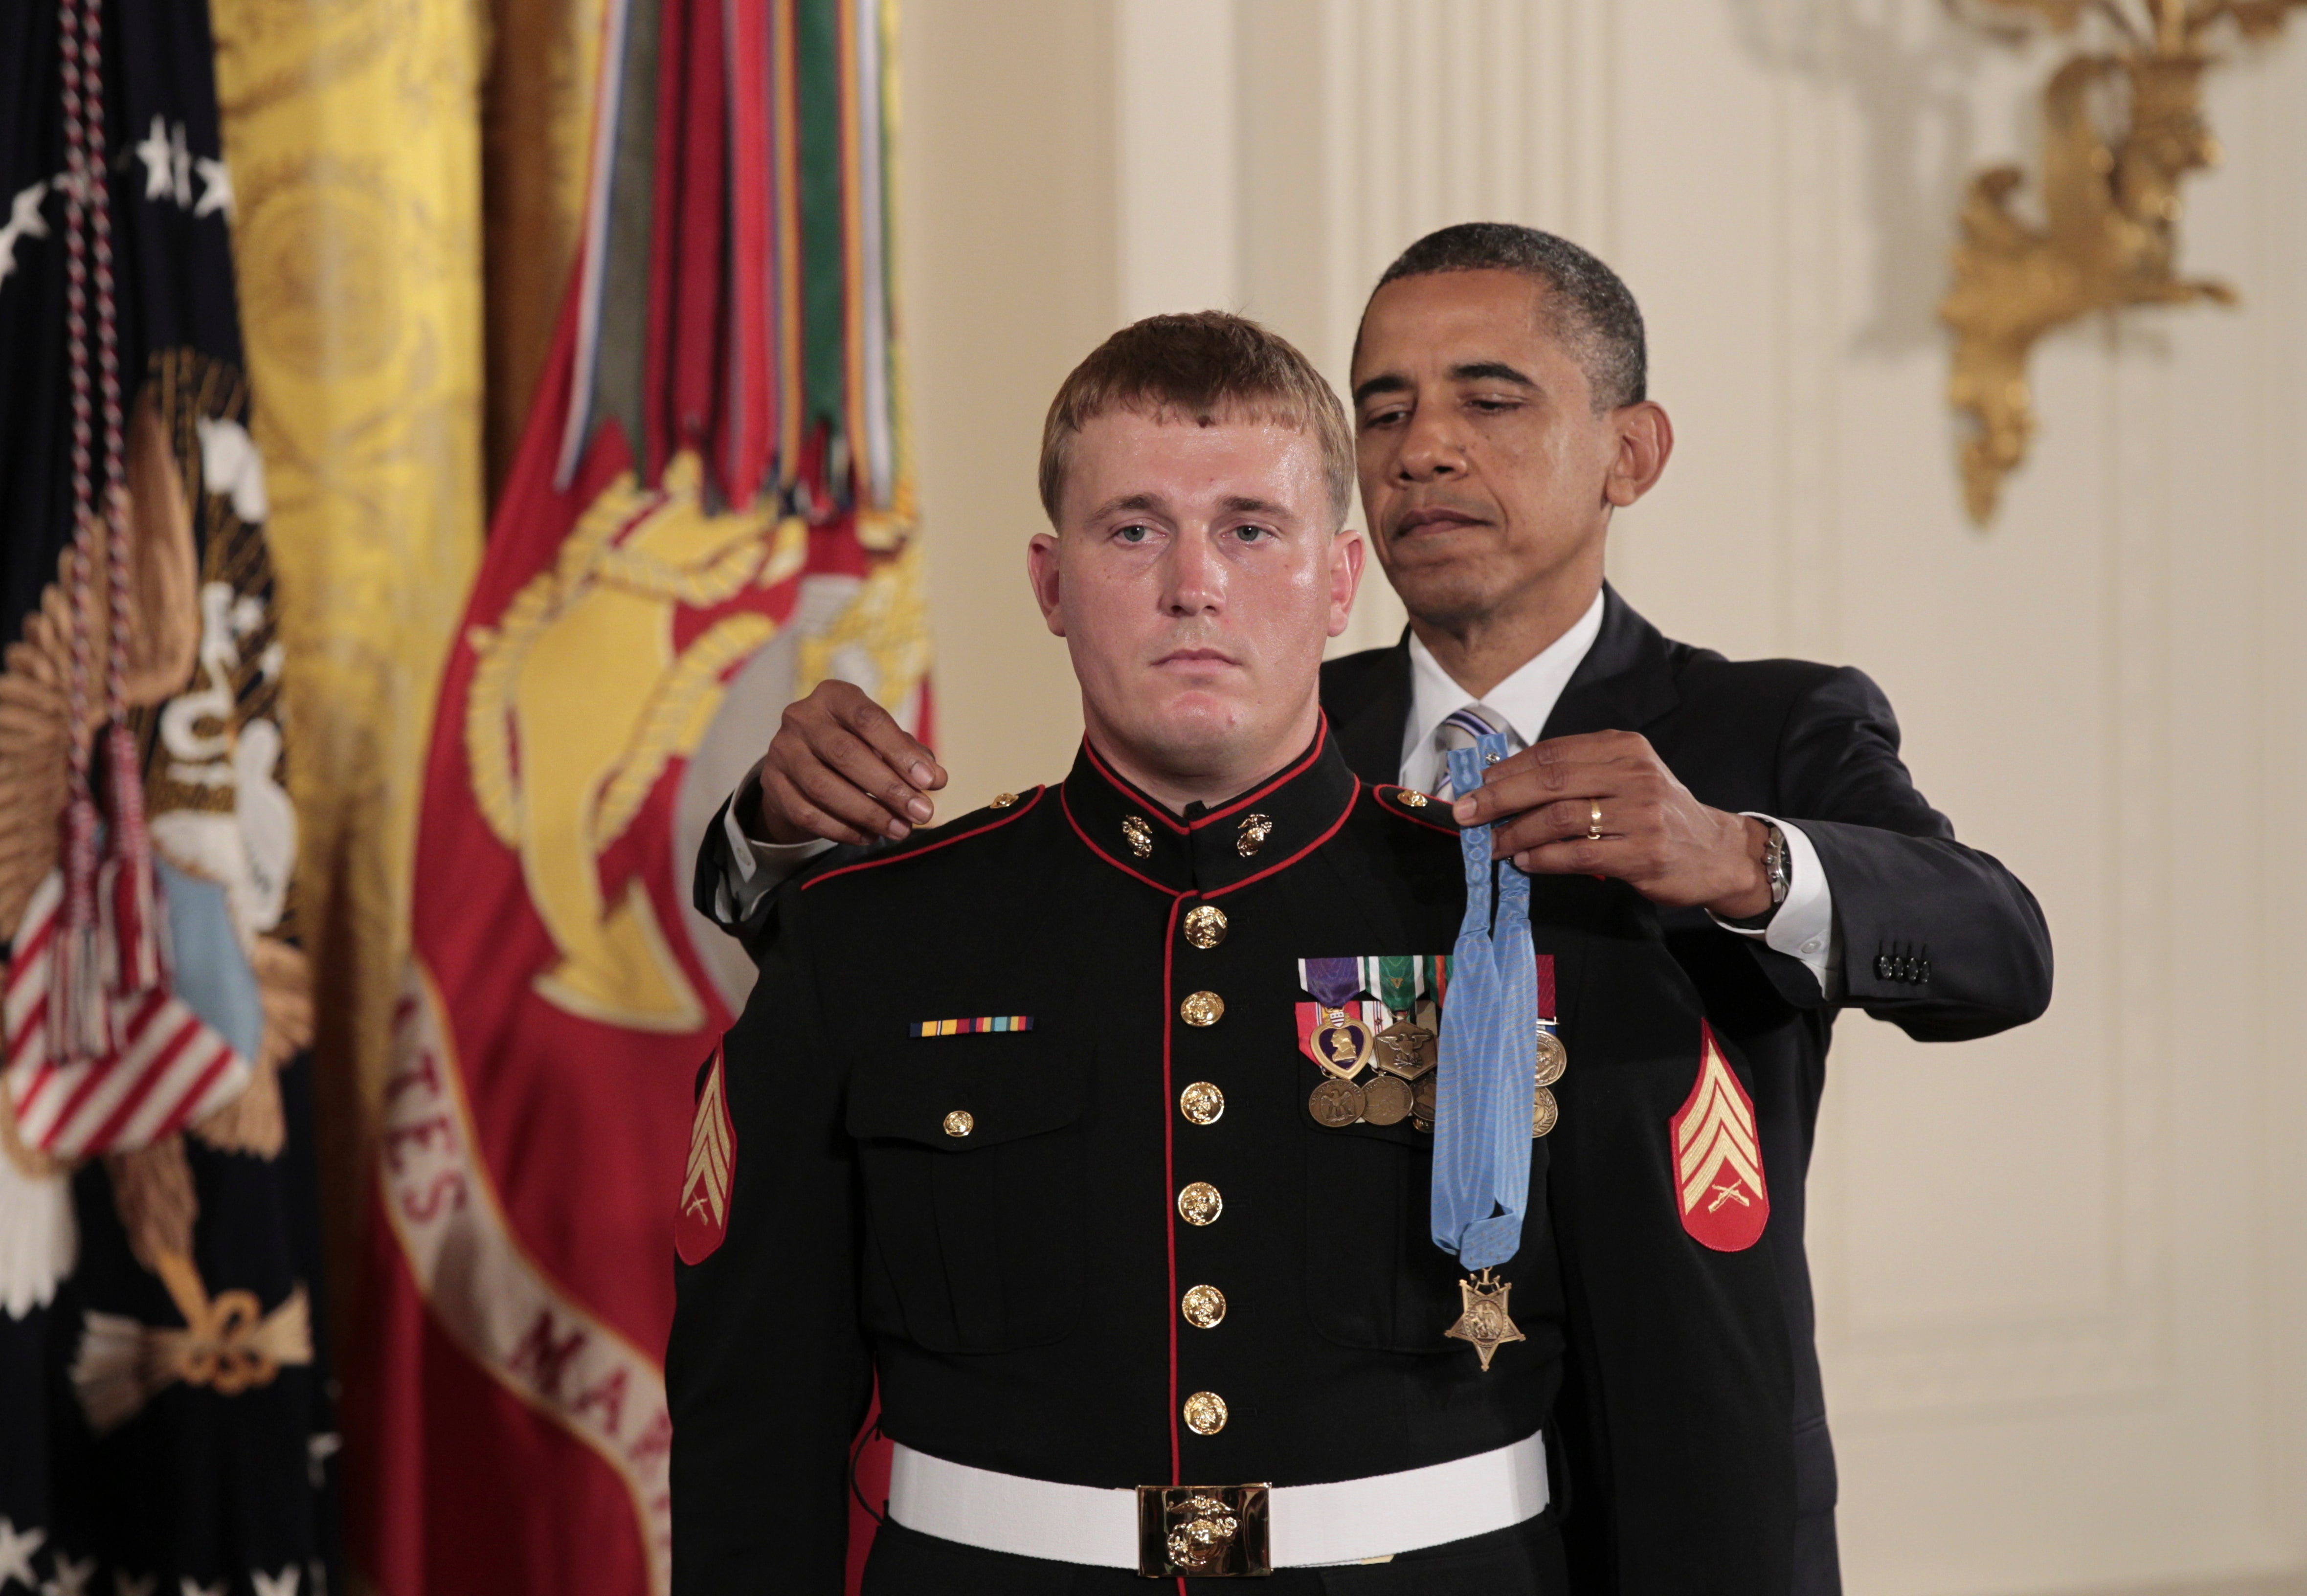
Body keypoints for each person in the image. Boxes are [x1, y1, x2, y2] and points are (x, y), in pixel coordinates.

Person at [690, 227, 2053, 1595]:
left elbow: (1994, 946)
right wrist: (768, 834)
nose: (1425, 448)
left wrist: (1740, 856)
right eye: (1386, 409)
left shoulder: (1746, 743)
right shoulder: (1253, 711)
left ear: (1630, 452)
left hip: (1577, 1497)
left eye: (1490, 399)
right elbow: (955, 961)